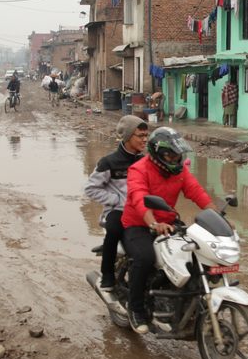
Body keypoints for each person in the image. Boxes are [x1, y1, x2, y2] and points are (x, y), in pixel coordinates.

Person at [121, 127, 213, 333]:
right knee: (144, 257)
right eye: (170, 155)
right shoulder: (139, 169)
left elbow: (197, 192)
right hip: (139, 225)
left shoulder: (180, 171)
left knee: (196, 253)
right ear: (157, 154)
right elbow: (138, 199)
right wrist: (154, 224)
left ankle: (185, 301)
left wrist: (217, 216)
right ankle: (135, 309)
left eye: (177, 155)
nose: (175, 159)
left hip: (169, 224)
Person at [84, 115, 148, 291]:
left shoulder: (145, 161)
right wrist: (117, 200)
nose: (144, 140)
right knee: (114, 230)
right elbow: (90, 189)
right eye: (140, 136)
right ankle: (107, 275)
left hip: (142, 210)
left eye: (146, 136)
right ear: (127, 137)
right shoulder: (109, 162)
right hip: (118, 210)